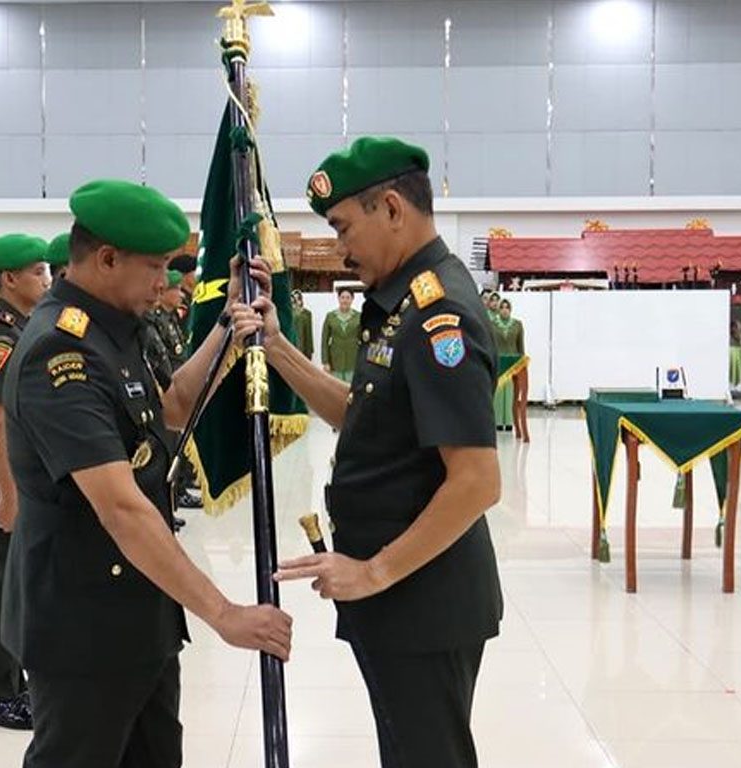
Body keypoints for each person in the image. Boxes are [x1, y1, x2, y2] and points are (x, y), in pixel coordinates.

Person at [0, 179, 292, 768]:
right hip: (83, 625)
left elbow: (172, 406)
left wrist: (225, 326)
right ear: (107, 258)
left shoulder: (115, 328)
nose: (167, 281)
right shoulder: (62, 355)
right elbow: (122, 508)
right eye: (156, 266)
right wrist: (224, 614)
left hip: (140, 613)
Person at [262, 137, 502, 768]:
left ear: (392, 209)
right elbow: (362, 416)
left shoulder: (436, 312)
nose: (339, 248)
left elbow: (477, 481)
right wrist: (278, 349)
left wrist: (372, 572)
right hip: (401, 592)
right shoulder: (399, 303)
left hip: (420, 596)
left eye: (343, 227)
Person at [0, 233, 51, 730]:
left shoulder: (21, 325)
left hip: (22, 472)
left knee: (16, 582)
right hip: (5, 479)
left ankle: (14, 681)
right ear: (9, 280)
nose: (46, 278)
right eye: (37, 272)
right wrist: (10, 491)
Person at [144, 269, 202, 514]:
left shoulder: (167, 320)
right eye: (175, 289)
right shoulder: (152, 321)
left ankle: (174, 498)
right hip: (162, 395)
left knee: (176, 445)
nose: (180, 294)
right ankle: (172, 498)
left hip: (174, 389)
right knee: (166, 452)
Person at [491, 298, 523, 432]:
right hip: (498, 361)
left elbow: (520, 345)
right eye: (502, 307)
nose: (505, 310)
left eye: (507, 307)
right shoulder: (492, 324)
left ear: (510, 309)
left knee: (510, 393)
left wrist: (521, 362)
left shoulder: (517, 324)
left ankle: (509, 422)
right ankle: (498, 422)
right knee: (498, 393)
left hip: (512, 363)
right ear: (498, 310)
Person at [321, 286, 361, 382]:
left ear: (352, 299)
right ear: (338, 299)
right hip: (335, 361)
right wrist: (325, 361)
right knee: (336, 388)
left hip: (353, 359)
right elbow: (324, 340)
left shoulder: (359, 316)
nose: (345, 300)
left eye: (348, 298)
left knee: (351, 389)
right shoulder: (330, 316)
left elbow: (363, 340)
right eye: (342, 297)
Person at [291, 289, 314, 359]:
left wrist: (310, 350)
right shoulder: (288, 313)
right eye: (294, 298)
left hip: (303, 347)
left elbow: (309, 333)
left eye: (298, 298)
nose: (297, 301)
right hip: (291, 345)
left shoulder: (307, 313)